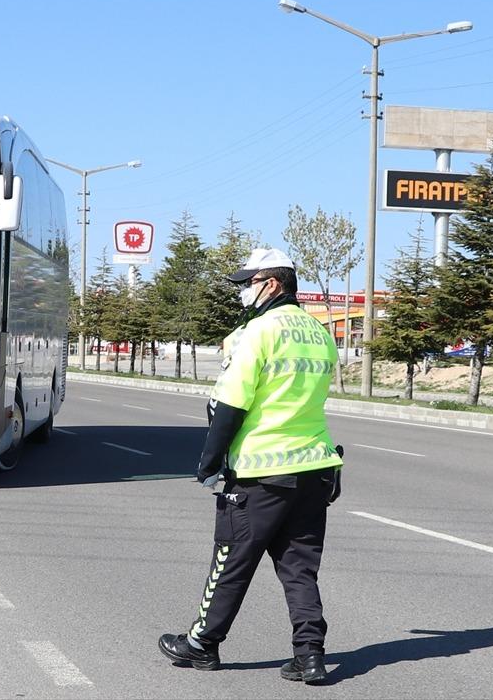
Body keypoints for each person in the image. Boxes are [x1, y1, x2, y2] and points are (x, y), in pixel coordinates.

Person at [159, 247, 343, 686]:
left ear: (273, 284)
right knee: (300, 567)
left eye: (249, 283)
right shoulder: (320, 333)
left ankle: (202, 645)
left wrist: (209, 462)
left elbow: (230, 404)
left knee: (231, 560)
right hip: (316, 468)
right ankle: (310, 655)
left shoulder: (258, 331)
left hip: (261, 472)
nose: (243, 292)